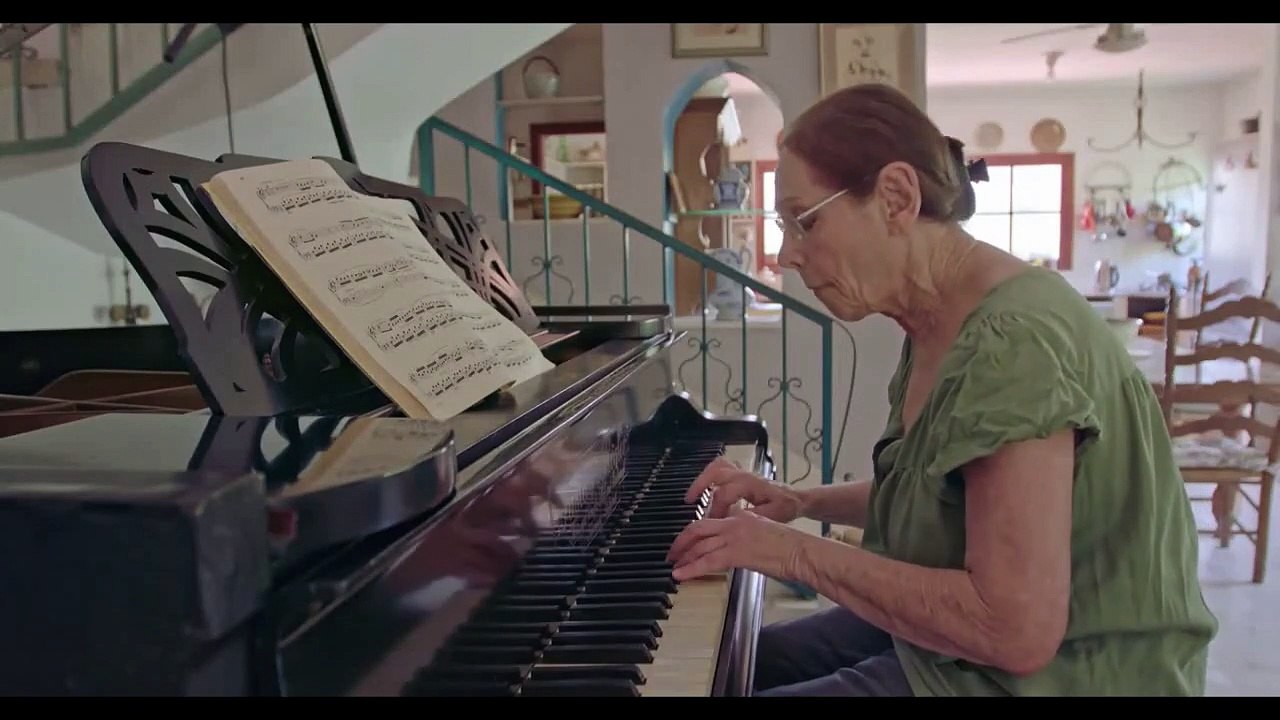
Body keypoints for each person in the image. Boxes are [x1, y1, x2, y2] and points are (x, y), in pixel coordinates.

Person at [665, 83, 1219, 697]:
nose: (787, 254)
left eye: (804, 221)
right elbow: (944, 494)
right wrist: (801, 502)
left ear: (897, 198)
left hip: (1073, 671)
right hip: (988, 650)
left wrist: (790, 553)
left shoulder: (1013, 342)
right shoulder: (940, 318)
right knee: (728, 667)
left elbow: (1014, 631)